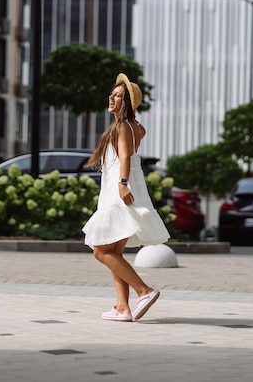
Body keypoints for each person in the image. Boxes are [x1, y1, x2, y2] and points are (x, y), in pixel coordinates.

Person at [82, 73, 170, 322]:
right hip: (130, 189)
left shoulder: (121, 127)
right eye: (112, 93)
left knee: (100, 251)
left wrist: (121, 185)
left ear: (128, 102)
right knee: (114, 252)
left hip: (118, 192)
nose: (111, 97)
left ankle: (144, 291)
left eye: (118, 95)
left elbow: (125, 158)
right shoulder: (137, 127)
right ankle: (122, 307)